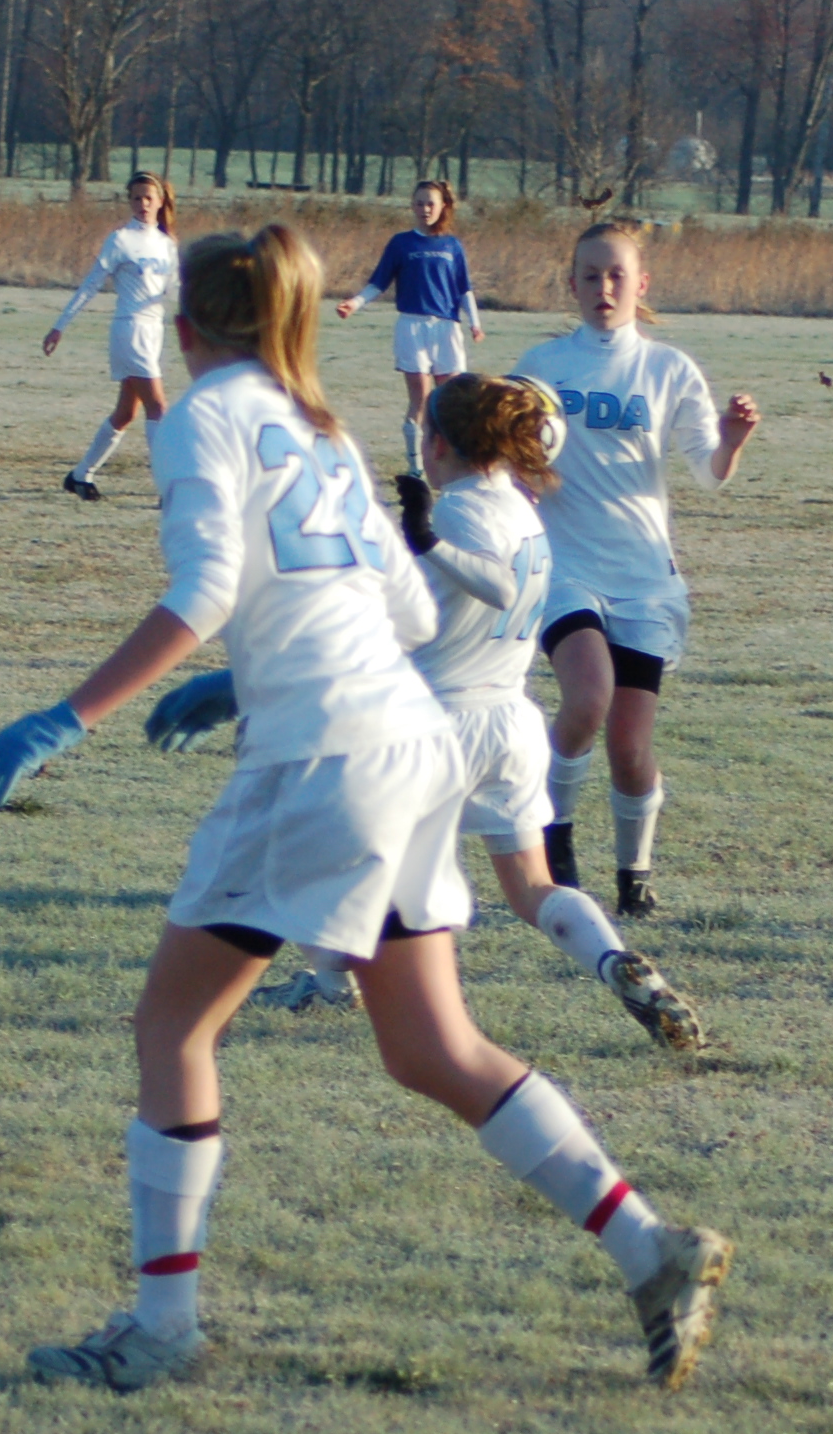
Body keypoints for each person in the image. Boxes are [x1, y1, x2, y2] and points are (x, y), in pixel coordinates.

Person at [0, 223, 733, 1395]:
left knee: (173, 1029)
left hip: (321, 760)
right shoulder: (318, 424)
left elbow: (204, 590)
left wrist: (64, 718)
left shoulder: (206, 416)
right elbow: (408, 614)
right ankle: (648, 1247)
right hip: (412, 748)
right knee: (430, 1048)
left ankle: (162, 1327)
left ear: (184, 328)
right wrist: (255, 670)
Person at [146, 373, 707, 1050]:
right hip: (510, 723)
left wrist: (424, 539)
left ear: (438, 442)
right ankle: (613, 960)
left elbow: (467, 596)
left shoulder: (457, 515)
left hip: (434, 728)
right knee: (532, 887)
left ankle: (329, 985)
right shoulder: (521, 506)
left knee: (317, 857)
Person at [510, 220, 760, 918]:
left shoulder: (669, 369)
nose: (604, 287)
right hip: (565, 566)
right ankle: (555, 840)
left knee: (628, 746)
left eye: (617, 275)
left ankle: (634, 874)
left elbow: (710, 473)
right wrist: (516, 472)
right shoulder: (541, 365)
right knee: (587, 697)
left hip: (645, 578)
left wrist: (733, 441)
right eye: (590, 275)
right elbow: (506, 453)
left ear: (641, 283)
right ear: (571, 284)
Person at [42, 171, 178, 502]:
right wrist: (60, 325)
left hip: (154, 331)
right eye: (136, 198)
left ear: (160, 201)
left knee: (126, 413)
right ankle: (167, 489)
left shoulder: (167, 244)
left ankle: (80, 476)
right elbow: (91, 285)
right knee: (158, 407)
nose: (142, 204)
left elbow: (176, 291)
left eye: (148, 198)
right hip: (129, 329)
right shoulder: (120, 240)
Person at [334, 179, 483, 472]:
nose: (425, 209)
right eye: (419, 203)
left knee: (451, 399)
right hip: (412, 327)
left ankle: (451, 464)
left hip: (446, 328)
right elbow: (378, 282)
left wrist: (475, 324)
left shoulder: (452, 245)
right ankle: (416, 467)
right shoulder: (401, 243)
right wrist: (355, 303)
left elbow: (464, 289)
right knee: (421, 399)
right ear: (412, 206)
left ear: (443, 207)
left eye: (431, 204)